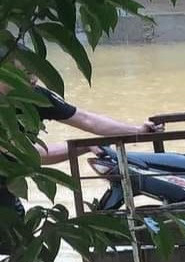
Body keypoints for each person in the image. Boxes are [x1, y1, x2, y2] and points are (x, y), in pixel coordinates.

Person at [0, 44, 161, 218]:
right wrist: (82, 146)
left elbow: (87, 119)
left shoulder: (36, 97)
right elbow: (29, 155)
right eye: (26, 74)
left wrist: (136, 130)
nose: (34, 80)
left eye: (34, 72)